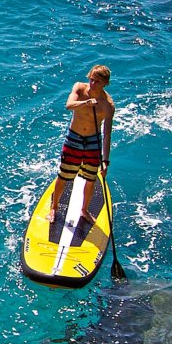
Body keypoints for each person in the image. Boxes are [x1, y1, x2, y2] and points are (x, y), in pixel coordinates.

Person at [44, 64, 115, 225]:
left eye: (97, 81)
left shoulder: (108, 105)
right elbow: (69, 105)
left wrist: (105, 161)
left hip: (93, 141)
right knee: (64, 175)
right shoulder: (79, 88)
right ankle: (54, 208)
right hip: (74, 138)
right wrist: (85, 103)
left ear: (105, 83)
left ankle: (84, 210)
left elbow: (107, 134)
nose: (92, 84)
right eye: (91, 79)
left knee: (90, 178)